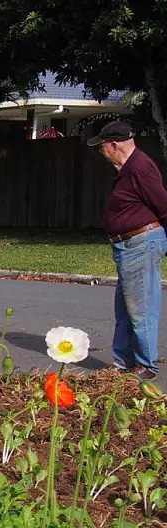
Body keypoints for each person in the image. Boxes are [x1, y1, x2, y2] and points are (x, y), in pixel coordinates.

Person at [87, 120, 167, 380]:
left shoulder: (140, 168)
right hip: (127, 245)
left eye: (102, 146)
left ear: (113, 145)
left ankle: (146, 366)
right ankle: (123, 363)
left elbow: (164, 205)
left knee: (140, 308)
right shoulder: (127, 169)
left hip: (141, 243)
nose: (100, 151)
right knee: (125, 309)